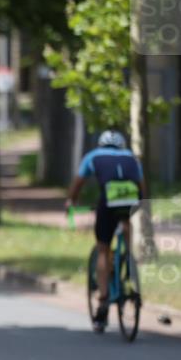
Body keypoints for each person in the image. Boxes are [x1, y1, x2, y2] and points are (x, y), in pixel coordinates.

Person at [66, 130, 146, 331]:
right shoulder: (131, 157)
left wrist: (71, 202)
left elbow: (77, 183)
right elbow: (142, 186)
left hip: (108, 201)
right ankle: (129, 257)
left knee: (103, 249)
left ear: (101, 144)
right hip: (129, 198)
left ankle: (103, 300)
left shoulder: (93, 156)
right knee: (126, 222)